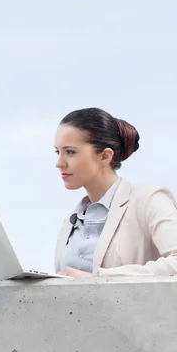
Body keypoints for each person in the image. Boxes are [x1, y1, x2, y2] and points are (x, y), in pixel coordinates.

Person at [53, 107, 177, 277]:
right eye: (57, 152)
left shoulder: (149, 200)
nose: (59, 163)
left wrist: (99, 278)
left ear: (104, 156)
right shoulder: (72, 221)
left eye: (70, 152)